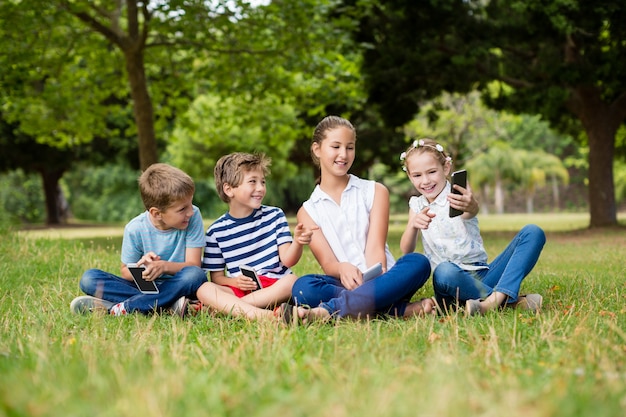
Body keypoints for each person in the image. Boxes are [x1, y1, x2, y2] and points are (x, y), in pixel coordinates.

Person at [290, 115, 434, 322]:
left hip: (386, 280)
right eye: (336, 146)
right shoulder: (308, 211)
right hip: (345, 284)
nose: (343, 154)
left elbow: (375, 248)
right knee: (302, 288)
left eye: (350, 147)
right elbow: (329, 263)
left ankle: (330, 310)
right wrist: (342, 268)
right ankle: (396, 310)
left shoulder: (375, 191)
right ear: (317, 149)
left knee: (418, 262)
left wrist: (373, 282)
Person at [398, 138, 546, 316]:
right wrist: (413, 226)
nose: (426, 180)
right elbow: (406, 250)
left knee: (533, 232)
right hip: (450, 283)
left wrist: (470, 205)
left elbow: (470, 210)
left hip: (483, 276)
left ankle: (495, 300)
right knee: (444, 270)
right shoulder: (416, 205)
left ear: (446, 168)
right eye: (417, 175)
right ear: (409, 176)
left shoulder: (457, 193)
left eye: (431, 172)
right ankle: (506, 301)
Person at [70, 163, 208, 317]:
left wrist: (163, 267)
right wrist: (143, 269)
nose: (190, 211)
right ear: (156, 213)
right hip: (146, 288)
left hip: (181, 285)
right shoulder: (134, 228)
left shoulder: (193, 216)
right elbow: (125, 272)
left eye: (190, 204)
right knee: (90, 278)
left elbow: (193, 264)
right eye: (182, 209)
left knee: (195, 275)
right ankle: (169, 305)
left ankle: (122, 308)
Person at [196, 152, 317, 320]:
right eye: (252, 181)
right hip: (239, 288)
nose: (260, 188)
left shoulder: (275, 216)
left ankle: (229, 309)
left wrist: (297, 242)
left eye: (263, 182)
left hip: (274, 286)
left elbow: (288, 260)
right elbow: (217, 278)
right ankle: (265, 316)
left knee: (291, 282)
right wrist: (234, 282)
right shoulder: (216, 232)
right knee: (204, 289)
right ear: (228, 189)